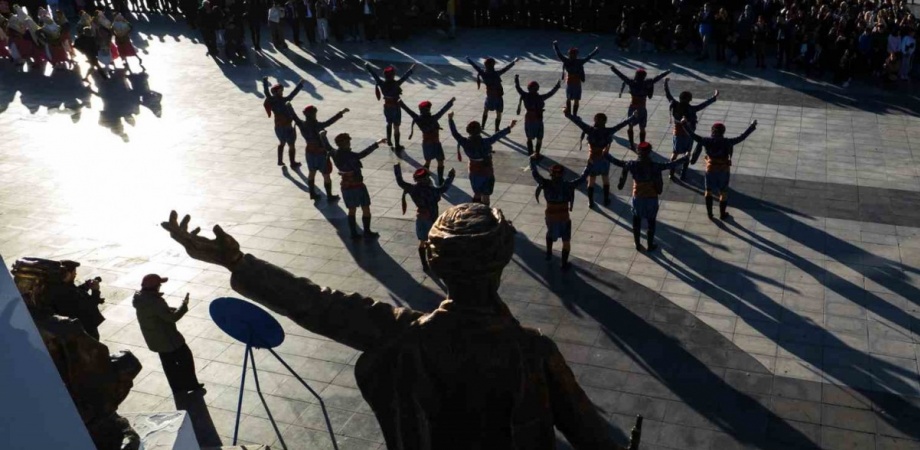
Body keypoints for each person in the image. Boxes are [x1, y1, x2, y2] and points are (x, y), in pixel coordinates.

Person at [161, 205, 643, 449]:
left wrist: (238, 262)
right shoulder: (533, 353)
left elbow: (316, 305)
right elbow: (594, 439)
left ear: (428, 263)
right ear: (505, 261)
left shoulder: (399, 332)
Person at [606, 142, 688, 251]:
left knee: (636, 220)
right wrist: (685, 158)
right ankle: (650, 245)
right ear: (649, 152)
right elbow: (670, 164)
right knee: (651, 222)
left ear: (638, 152)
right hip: (651, 197)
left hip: (638, 197)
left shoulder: (632, 164)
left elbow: (618, 162)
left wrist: (606, 154)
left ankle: (637, 244)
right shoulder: (656, 166)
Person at [132, 274, 205, 395]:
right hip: (168, 339)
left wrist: (167, 309)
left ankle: (177, 389)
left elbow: (155, 313)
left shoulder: (140, 299)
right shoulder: (155, 301)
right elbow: (172, 318)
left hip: (156, 340)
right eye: (159, 284)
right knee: (185, 358)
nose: (160, 286)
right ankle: (191, 384)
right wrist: (184, 305)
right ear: (155, 287)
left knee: (169, 365)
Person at [682, 119, 758, 220]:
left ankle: (710, 214)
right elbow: (741, 137)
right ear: (723, 131)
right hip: (723, 170)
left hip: (710, 169)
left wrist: (684, 124)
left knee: (708, 191)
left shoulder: (706, 140)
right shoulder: (727, 142)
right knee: (723, 192)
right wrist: (752, 126)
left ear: (712, 131)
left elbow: (693, 136)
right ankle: (722, 214)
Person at [564, 109, 634, 208]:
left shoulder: (590, 130)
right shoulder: (608, 131)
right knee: (605, 179)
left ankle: (591, 202)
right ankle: (606, 200)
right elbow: (621, 125)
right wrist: (632, 117)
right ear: (605, 121)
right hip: (604, 159)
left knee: (591, 181)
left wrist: (567, 114)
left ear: (594, 120)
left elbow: (578, 122)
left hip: (592, 159)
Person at [393, 163, 456, 269]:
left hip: (421, 218)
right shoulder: (433, 190)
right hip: (431, 219)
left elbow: (400, 182)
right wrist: (451, 175)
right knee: (433, 241)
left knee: (422, 241)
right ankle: (432, 260)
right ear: (426, 178)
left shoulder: (412, 189)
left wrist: (397, 169)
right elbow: (444, 188)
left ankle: (424, 264)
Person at [529, 159, 588, 270]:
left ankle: (549, 254)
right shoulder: (568, 185)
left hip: (550, 217)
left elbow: (535, 174)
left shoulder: (545, 184)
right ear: (563, 174)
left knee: (550, 233)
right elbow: (582, 179)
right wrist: (589, 166)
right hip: (564, 217)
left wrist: (532, 162)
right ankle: (564, 264)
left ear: (551, 174)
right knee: (566, 241)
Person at [448, 112, 517, 205]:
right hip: (486, 170)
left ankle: (476, 211)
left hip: (474, 170)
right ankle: (486, 213)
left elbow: (454, 133)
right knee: (486, 194)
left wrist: (450, 120)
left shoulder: (464, 142)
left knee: (477, 193)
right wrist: (510, 127)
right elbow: (497, 135)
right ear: (480, 130)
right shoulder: (486, 142)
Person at [331, 133, 387, 238]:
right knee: (365, 208)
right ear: (345, 143)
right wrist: (377, 143)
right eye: (348, 142)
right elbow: (363, 154)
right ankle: (367, 231)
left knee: (352, 210)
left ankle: (354, 233)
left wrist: (322, 137)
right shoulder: (351, 155)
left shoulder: (334, 153)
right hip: (358, 185)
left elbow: (327, 146)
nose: (349, 144)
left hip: (346, 186)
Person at [663, 78, 718, 181]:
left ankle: (671, 173)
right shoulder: (692, 109)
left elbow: (668, 94)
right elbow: (704, 104)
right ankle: (684, 174)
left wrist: (665, 83)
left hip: (677, 134)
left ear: (680, 98)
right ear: (690, 100)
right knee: (687, 154)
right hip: (689, 135)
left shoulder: (675, 105)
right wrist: (714, 97)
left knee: (674, 154)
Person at [293, 105, 349, 201]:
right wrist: (341, 112)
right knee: (326, 174)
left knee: (311, 172)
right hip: (320, 153)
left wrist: (289, 106)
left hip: (309, 152)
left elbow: (294, 116)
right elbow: (330, 122)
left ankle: (312, 193)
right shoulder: (318, 125)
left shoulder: (301, 124)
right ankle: (329, 196)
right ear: (313, 114)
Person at [610, 65, 669, 150]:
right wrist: (666, 72)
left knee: (630, 126)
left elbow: (621, 76)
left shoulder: (632, 83)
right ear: (644, 76)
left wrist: (613, 69)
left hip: (633, 107)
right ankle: (641, 145)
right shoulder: (647, 83)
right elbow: (657, 78)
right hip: (642, 108)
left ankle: (631, 144)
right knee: (642, 128)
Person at [400, 97, 456, 183]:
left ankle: (424, 177)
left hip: (426, 143)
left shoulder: (418, 119)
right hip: (436, 143)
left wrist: (401, 103)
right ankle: (440, 179)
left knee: (428, 161)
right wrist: (450, 102)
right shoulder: (433, 118)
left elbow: (409, 111)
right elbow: (443, 110)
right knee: (440, 161)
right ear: (428, 109)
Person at [47, 260, 105, 340]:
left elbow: (76, 291)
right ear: (68, 274)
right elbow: (89, 306)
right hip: (85, 329)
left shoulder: (58, 287)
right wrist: (96, 291)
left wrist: (86, 286)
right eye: (74, 272)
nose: (75, 274)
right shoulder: (69, 293)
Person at [366, 63, 416, 153]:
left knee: (389, 123)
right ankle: (397, 145)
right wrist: (411, 69)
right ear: (393, 75)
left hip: (387, 107)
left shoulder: (382, 84)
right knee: (396, 126)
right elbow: (405, 77)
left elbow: (374, 75)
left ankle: (389, 140)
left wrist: (368, 67)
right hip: (395, 107)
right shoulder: (396, 84)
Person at [514, 74, 561, 160]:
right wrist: (557, 86)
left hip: (528, 119)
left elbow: (518, 87)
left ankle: (530, 154)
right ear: (537, 89)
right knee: (539, 138)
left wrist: (516, 79)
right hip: (538, 119)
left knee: (529, 138)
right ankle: (537, 154)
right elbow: (550, 93)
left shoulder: (525, 95)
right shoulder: (540, 97)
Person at [466, 56, 518, 132]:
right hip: (498, 96)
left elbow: (475, 66)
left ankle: (482, 126)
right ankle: (496, 128)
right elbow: (506, 68)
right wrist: (514, 61)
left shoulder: (483, 73)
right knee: (499, 112)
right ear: (493, 65)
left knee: (486, 110)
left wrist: (468, 59)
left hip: (490, 96)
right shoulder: (496, 73)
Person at [262, 77, 304, 168]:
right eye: (281, 91)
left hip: (278, 127)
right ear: (276, 92)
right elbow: (293, 94)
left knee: (282, 143)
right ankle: (292, 163)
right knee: (291, 145)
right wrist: (300, 84)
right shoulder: (283, 100)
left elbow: (266, 92)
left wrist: (265, 81)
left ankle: (280, 161)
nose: (282, 92)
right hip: (287, 127)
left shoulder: (272, 100)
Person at [552, 41, 599, 116]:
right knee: (576, 99)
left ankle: (570, 112)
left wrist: (555, 45)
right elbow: (588, 57)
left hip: (570, 82)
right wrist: (595, 51)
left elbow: (559, 54)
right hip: (576, 82)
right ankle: (574, 114)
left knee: (569, 98)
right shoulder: (579, 62)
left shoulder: (566, 61)